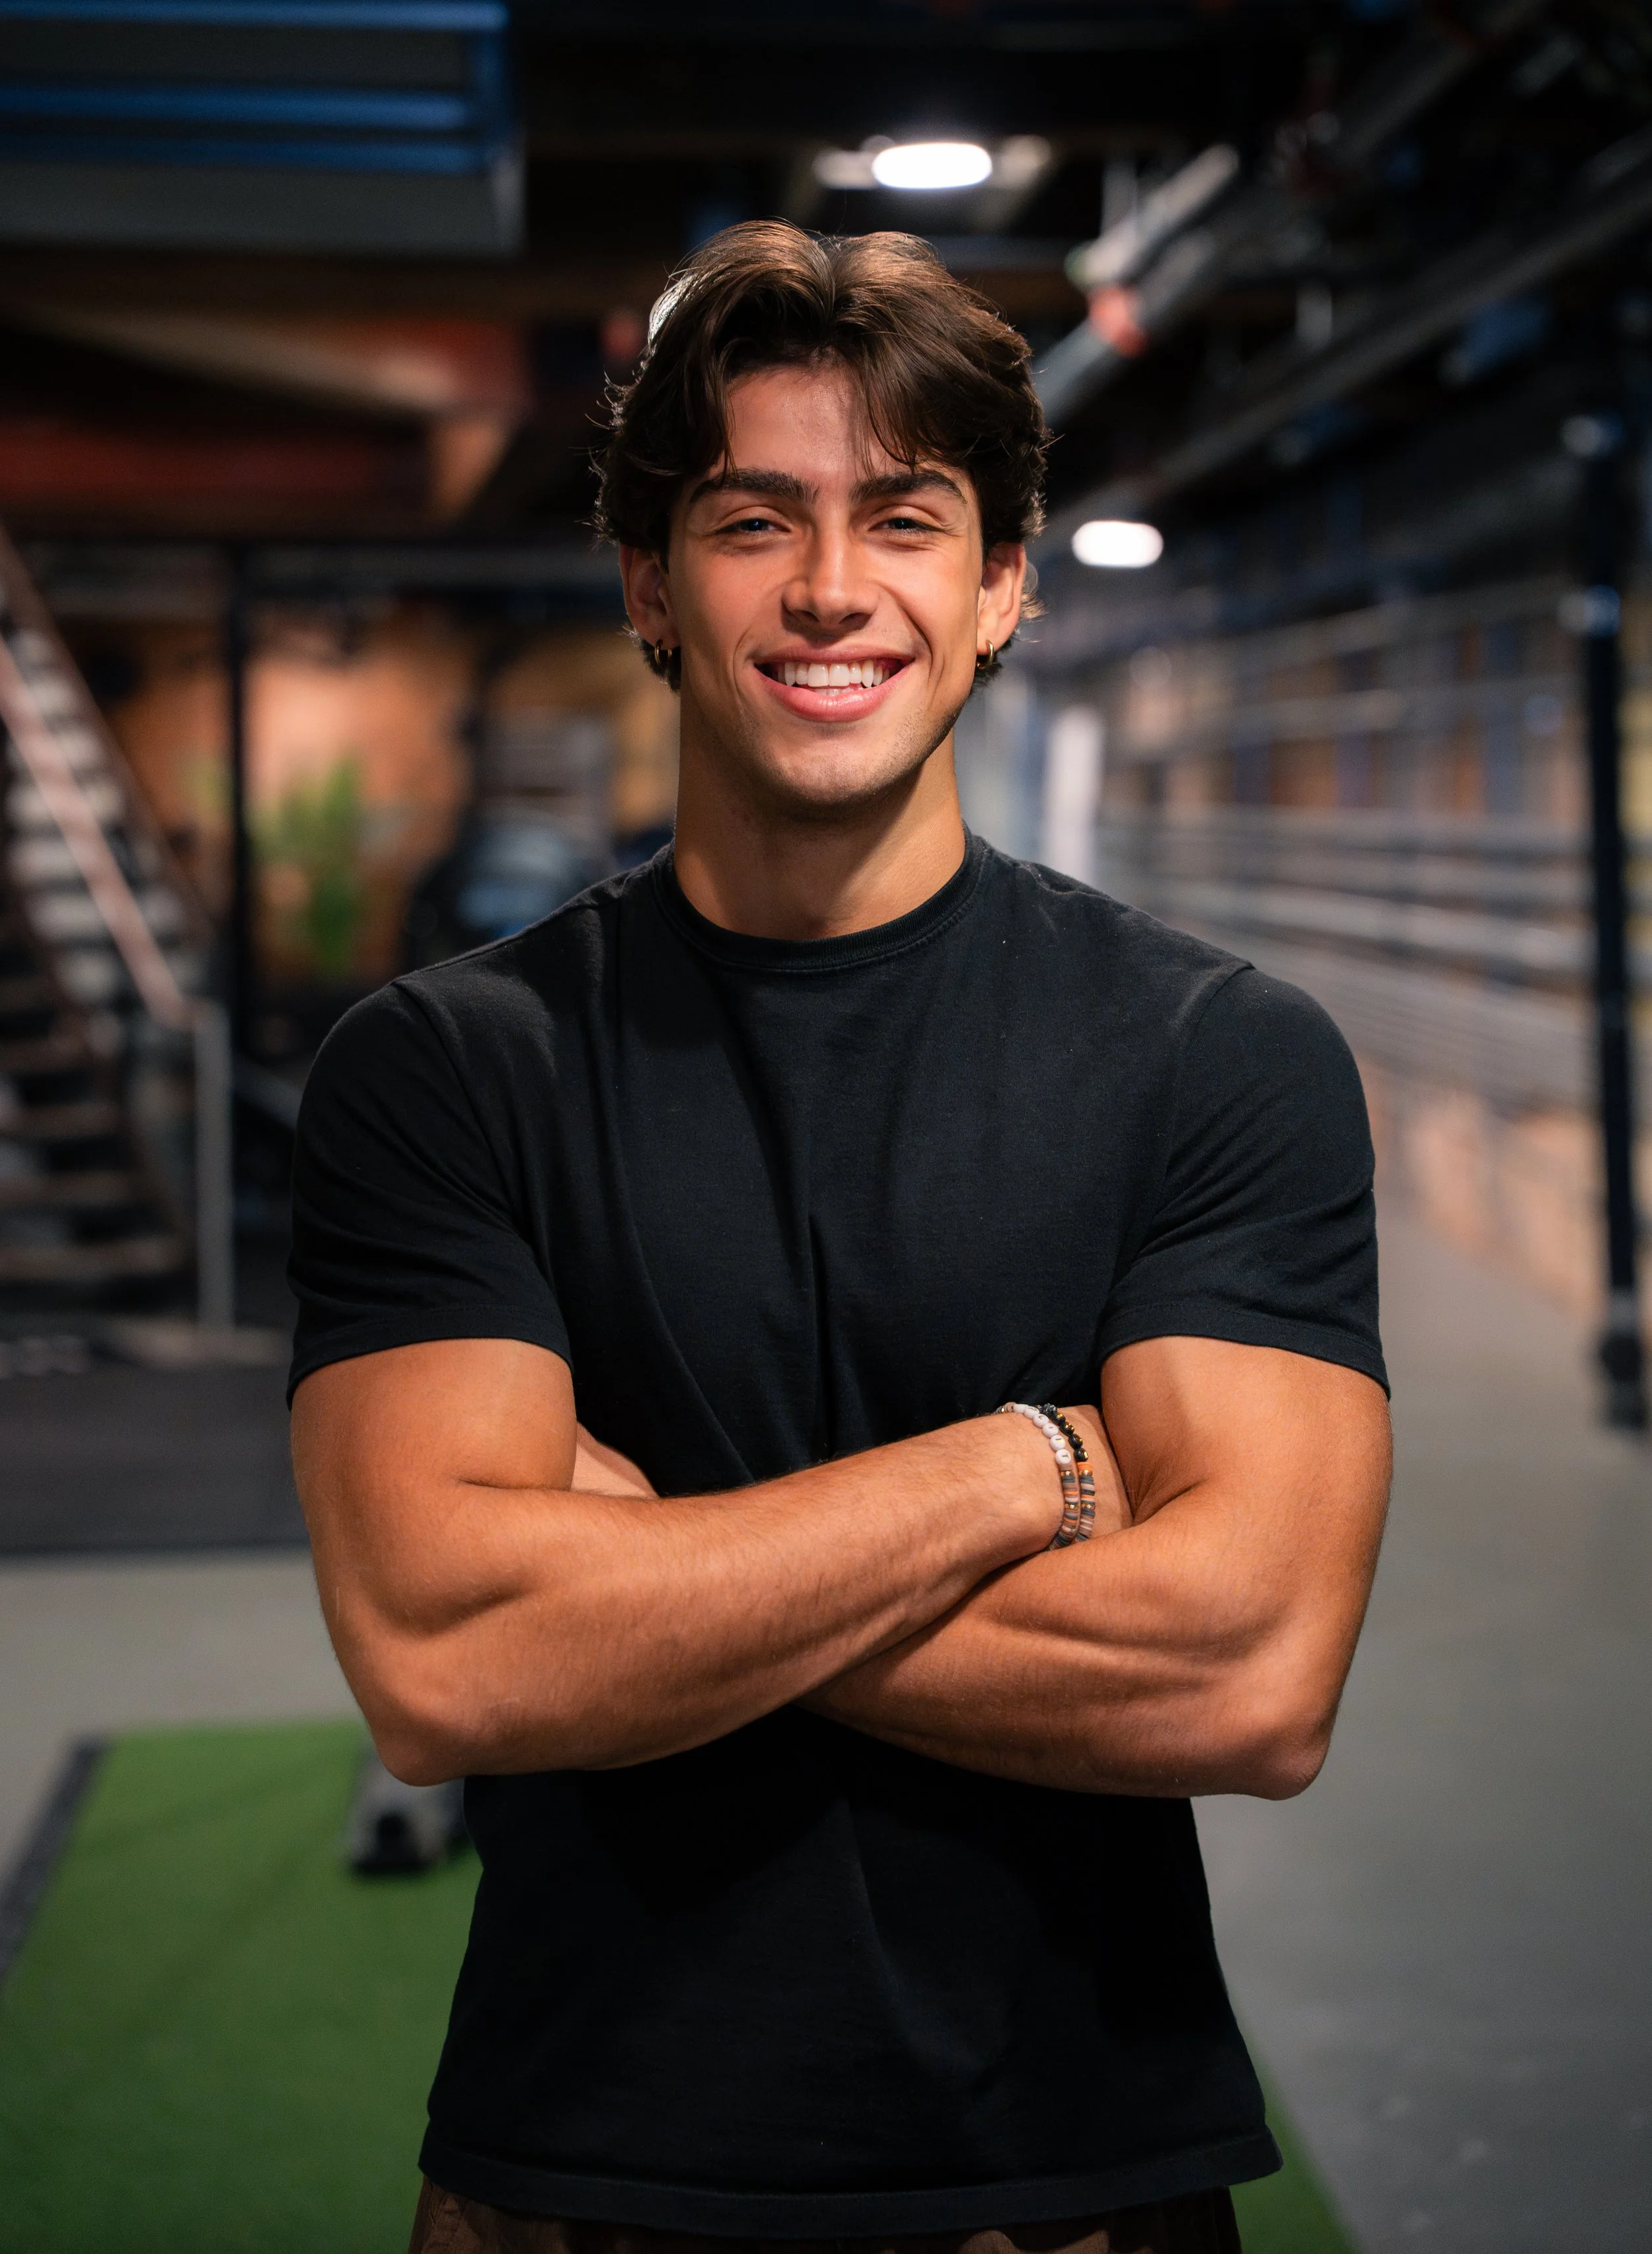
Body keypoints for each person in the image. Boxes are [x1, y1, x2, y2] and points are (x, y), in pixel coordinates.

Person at [288, 221, 1391, 2254]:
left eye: (903, 518)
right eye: (747, 520)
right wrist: (1023, 1467)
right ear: (647, 586)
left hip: (1074, 2189)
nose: (827, 588)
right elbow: (452, 1662)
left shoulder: (1216, 1058)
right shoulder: (449, 1073)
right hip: (573, 2185)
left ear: (994, 591)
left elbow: (1247, 1674)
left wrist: (640, 1581)